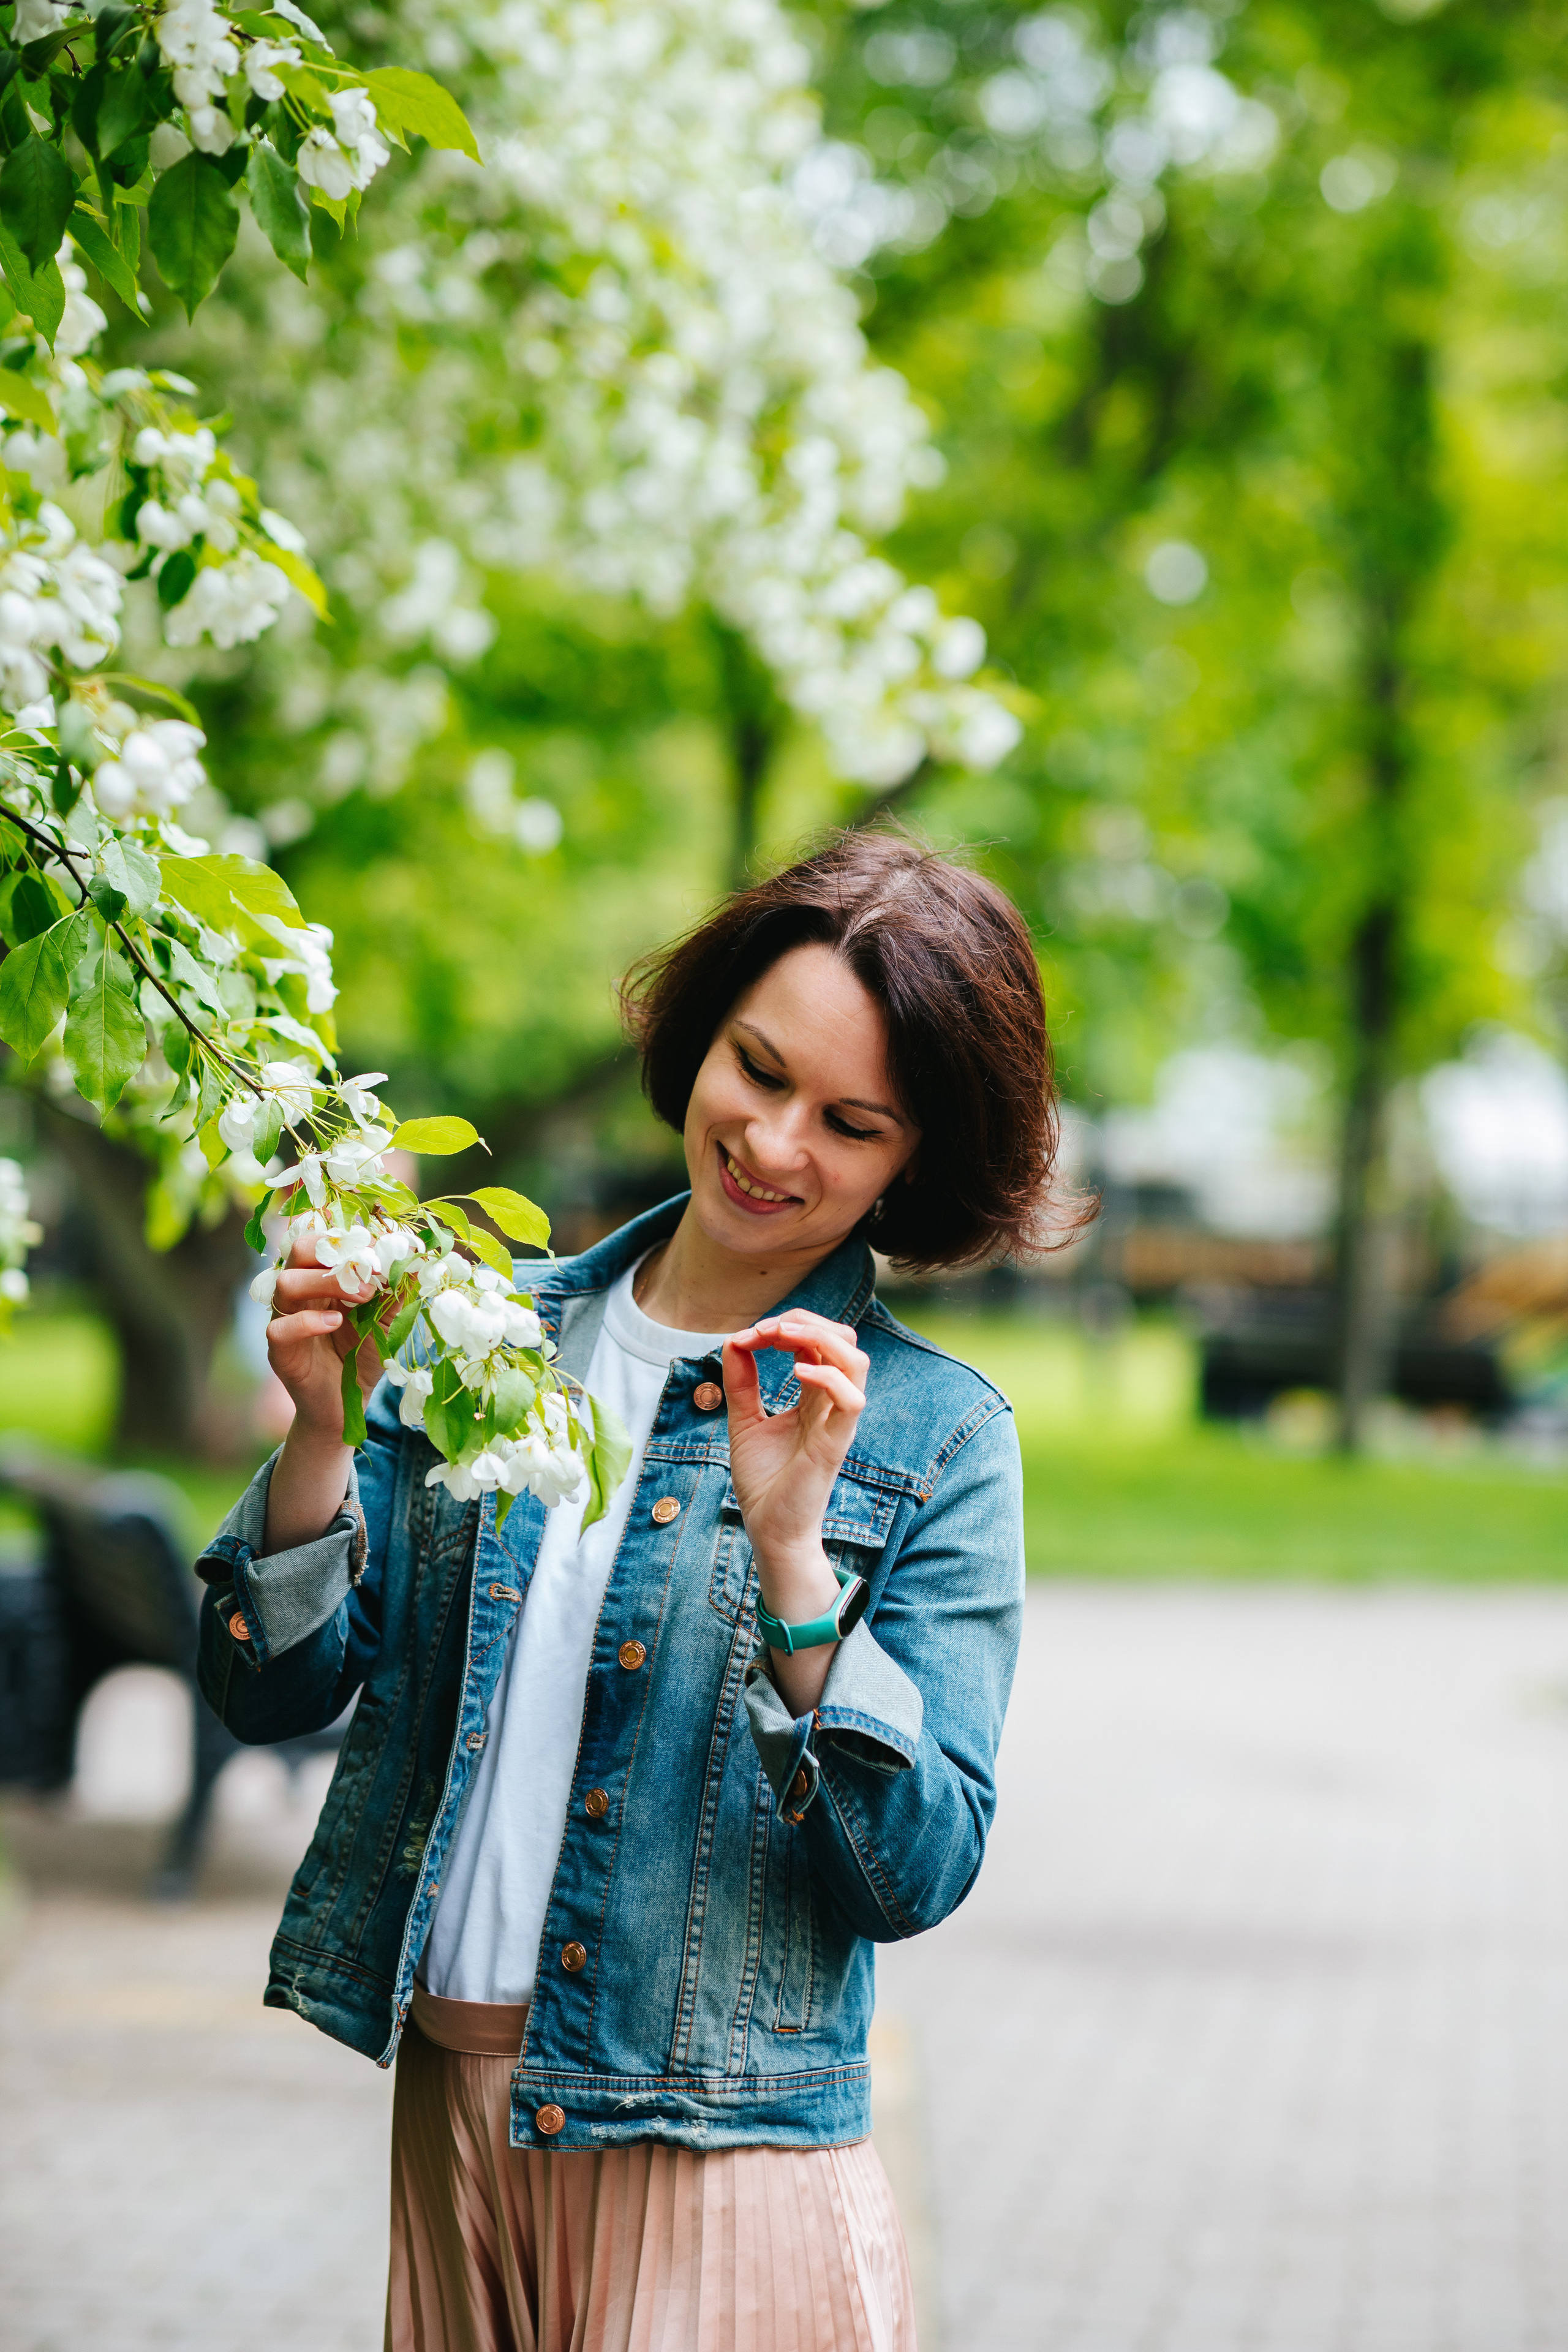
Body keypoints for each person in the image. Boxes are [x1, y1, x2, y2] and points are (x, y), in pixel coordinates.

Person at [197, 829, 1069, 2352]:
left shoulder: (933, 1439)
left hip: (723, 2173)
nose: (774, 1143)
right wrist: (322, 1437)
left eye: (849, 1123)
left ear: (912, 1160)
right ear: (700, 1031)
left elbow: (913, 1870)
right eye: (756, 1067)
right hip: (449, 2126)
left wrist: (795, 1559)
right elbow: (267, 1691)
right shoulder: (480, 1341)